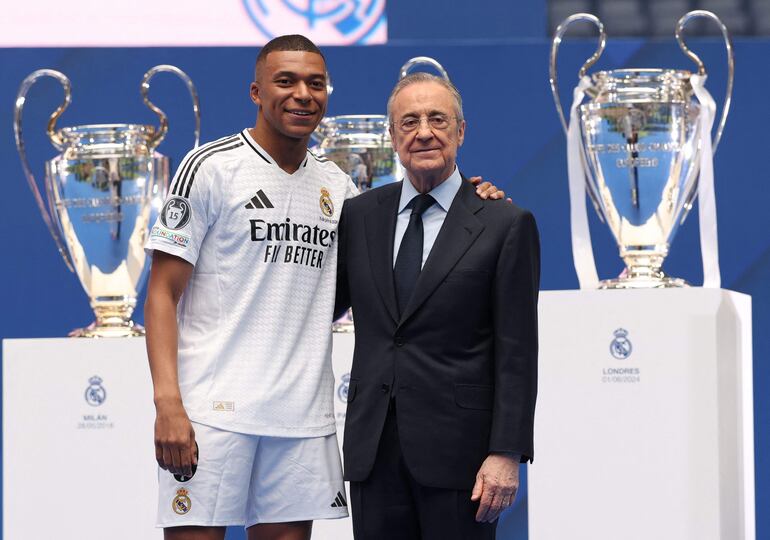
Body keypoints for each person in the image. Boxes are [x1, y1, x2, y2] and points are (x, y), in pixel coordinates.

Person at [144, 35, 504, 540]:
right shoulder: (210, 167)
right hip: (212, 415)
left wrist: (470, 199)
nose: (302, 94)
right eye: (285, 81)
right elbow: (161, 293)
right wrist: (168, 405)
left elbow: (409, 236)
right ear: (255, 91)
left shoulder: (341, 191)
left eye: (315, 83)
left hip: (301, 419)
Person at [335, 73, 540, 540]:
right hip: (374, 454)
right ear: (391, 137)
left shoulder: (504, 223)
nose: (423, 131)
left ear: (461, 131)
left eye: (437, 119)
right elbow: (321, 305)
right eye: (409, 121)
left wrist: (506, 453)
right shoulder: (359, 216)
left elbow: (518, 352)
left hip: (463, 461)